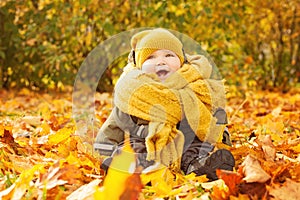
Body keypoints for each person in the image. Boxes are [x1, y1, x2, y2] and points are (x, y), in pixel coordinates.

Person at [94, 28, 235, 181]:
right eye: (151, 57)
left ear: (181, 62)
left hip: (187, 141)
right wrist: (103, 150)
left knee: (195, 149)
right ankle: (133, 167)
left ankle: (200, 167)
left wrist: (223, 135)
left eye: (169, 55)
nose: (161, 61)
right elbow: (113, 126)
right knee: (134, 147)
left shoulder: (196, 87)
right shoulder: (133, 93)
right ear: (140, 66)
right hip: (146, 140)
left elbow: (212, 113)